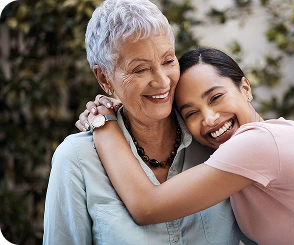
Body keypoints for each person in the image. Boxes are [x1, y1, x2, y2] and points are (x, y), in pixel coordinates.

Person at [82, 47, 294, 245]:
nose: (210, 118)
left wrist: (104, 122)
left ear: (245, 88)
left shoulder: (258, 143)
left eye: (216, 98)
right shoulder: (241, 159)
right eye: (191, 113)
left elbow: (147, 207)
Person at [43, 1, 243, 244]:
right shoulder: (77, 160)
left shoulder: (214, 138)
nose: (162, 82)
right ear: (104, 78)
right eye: (140, 70)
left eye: (168, 61)